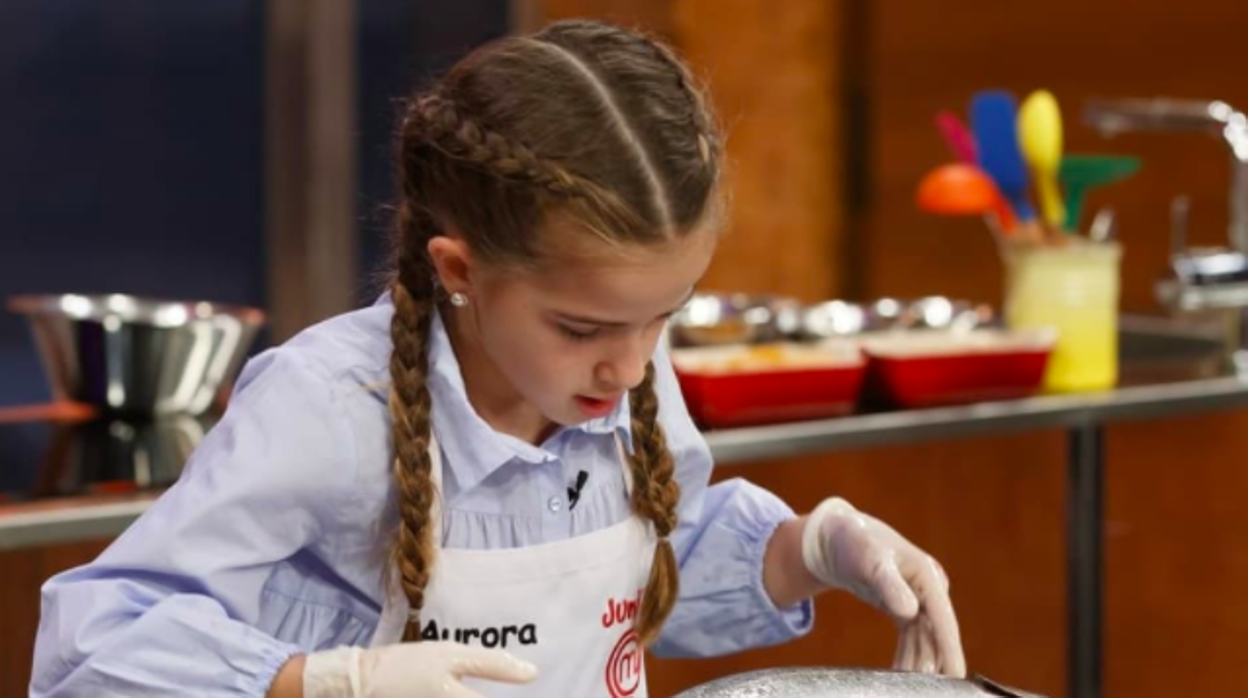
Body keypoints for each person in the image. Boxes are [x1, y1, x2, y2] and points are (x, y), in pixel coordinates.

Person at [30, 19, 964, 698]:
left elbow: (642, 587)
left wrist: (807, 551)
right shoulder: (328, 410)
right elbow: (91, 648)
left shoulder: (626, 382)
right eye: (583, 328)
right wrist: (323, 681)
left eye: (660, 319)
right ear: (461, 270)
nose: (630, 369)